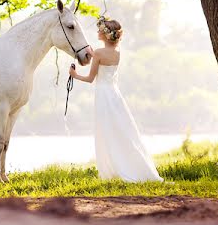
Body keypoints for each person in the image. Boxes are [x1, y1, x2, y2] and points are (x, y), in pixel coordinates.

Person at [69, 17, 163, 183]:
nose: (98, 32)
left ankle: (114, 167)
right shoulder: (116, 53)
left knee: (106, 130)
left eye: (100, 30)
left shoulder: (98, 53)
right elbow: (103, 61)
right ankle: (127, 164)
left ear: (105, 35)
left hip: (103, 96)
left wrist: (75, 75)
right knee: (121, 129)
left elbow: (91, 78)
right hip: (115, 94)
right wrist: (92, 53)